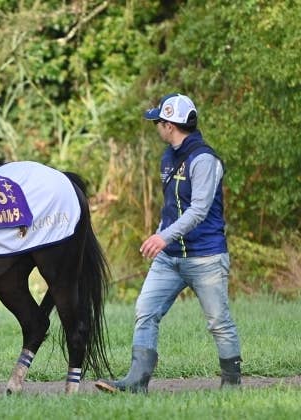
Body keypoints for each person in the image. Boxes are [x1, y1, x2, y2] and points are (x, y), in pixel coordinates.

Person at [95, 93, 242, 393]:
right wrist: (159, 234)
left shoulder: (205, 160)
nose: (156, 128)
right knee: (145, 311)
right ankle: (136, 383)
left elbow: (199, 210)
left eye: (158, 122)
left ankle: (231, 384)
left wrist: (163, 236)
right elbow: (171, 208)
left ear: (170, 125)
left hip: (206, 258)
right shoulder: (168, 157)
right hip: (169, 259)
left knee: (218, 322)